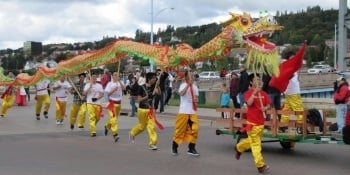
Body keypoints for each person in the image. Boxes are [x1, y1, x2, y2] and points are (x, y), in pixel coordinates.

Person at [234, 74, 271, 174]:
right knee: (256, 145)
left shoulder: (263, 93)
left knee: (250, 142)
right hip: (252, 124)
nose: (259, 81)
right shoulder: (249, 93)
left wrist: (266, 108)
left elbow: (268, 104)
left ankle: (239, 147)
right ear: (251, 82)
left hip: (261, 124)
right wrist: (255, 92)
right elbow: (249, 103)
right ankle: (260, 166)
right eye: (256, 79)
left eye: (259, 79)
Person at [171, 70, 200, 156]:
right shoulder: (183, 85)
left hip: (192, 112)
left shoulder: (195, 87)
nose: (192, 76)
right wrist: (188, 85)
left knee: (195, 130)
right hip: (183, 111)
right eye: (191, 75)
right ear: (186, 77)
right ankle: (174, 147)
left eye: (193, 75)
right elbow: (181, 94)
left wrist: (196, 101)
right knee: (179, 130)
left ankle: (191, 148)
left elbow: (196, 98)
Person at [129, 72, 160, 150]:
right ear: (149, 79)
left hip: (150, 110)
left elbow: (159, 93)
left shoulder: (154, 87)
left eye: (155, 78)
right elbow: (139, 100)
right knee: (142, 126)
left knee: (151, 126)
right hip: (142, 110)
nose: (155, 79)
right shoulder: (141, 87)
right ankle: (132, 133)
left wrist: (158, 85)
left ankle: (152, 143)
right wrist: (147, 97)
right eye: (153, 78)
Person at [280, 51, 305, 133]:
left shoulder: (290, 65)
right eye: (292, 57)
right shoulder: (287, 65)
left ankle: (283, 125)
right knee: (298, 108)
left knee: (287, 109)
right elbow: (286, 76)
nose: (294, 59)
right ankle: (300, 126)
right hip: (293, 91)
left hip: (289, 91)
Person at [104, 71, 125, 142]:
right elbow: (107, 94)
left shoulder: (120, 83)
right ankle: (115, 134)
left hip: (118, 103)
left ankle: (107, 126)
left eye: (117, 75)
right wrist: (113, 90)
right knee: (114, 119)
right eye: (115, 75)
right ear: (112, 76)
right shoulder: (110, 84)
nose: (116, 76)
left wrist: (120, 82)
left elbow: (124, 88)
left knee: (114, 118)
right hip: (111, 103)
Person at [83, 73, 104, 137]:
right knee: (91, 117)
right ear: (90, 78)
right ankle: (93, 132)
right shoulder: (87, 85)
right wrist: (90, 87)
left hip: (97, 103)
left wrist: (96, 98)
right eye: (93, 77)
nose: (94, 78)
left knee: (98, 117)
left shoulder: (99, 85)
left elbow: (101, 94)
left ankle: (92, 126)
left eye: (95, 77)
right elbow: (84, 93)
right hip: (90, 103)